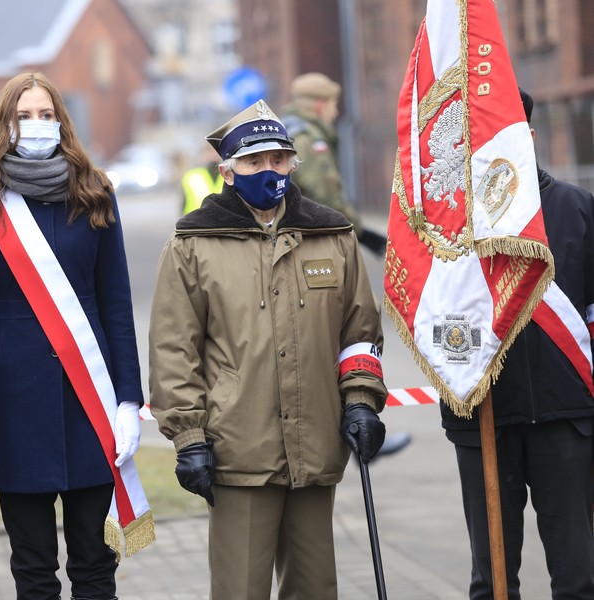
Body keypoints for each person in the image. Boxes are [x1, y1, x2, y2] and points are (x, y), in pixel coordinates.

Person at [149, 99, 388, 599]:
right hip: (238, 449)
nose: (268, 170)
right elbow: (174, 351)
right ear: (228, 171)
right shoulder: (193, 243)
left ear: (293, 163)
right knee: (241, 590)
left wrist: (361, 401)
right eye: (254, 161)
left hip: (316, 443)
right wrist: (189, 437)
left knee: (315, 589)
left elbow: (360, 331)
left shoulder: (332, 234)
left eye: (278, 159)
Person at [0, 72, 144, 600]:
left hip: (91, 397)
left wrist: (128, 399)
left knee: (95, 562)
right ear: (4, 125)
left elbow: (117, 304)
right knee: (33, 567)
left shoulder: (96, 194)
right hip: (13, 406)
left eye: (46, 115)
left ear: (63, 123)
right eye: (24, 116)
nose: (36, 125)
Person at [440, 88, 594, 599]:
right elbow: (432, 317)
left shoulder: (576, 208)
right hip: (482, 415)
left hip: (566, 418)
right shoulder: (447, 222)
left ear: (527, 136)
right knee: (493, 582)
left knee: (578, 577)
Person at [282, 72, 388, 258]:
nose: (336, 112)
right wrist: (360, 231)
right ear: (321, 106)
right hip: (308, 237)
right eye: (334, 105)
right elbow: (326, 193)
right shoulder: (309, 139)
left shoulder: (286, 129)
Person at [181, 145, 223, 215]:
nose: (212, 155)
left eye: (214, 152)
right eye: (208, 151)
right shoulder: (191, 176)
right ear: (202, 155)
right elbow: (183, 205)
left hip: (223, 220)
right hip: (195, 220)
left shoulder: (229, 175)